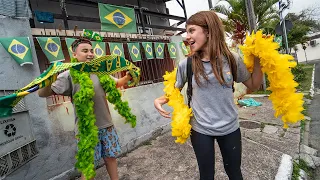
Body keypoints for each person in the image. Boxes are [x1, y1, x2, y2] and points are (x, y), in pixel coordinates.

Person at [154, 11, 263, 180]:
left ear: (208, 31)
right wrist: (159, 100)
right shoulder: (187, 64)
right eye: (186, 31)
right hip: (200, 129)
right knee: (206, 176)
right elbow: (173, 90)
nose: (187, 36)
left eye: (191, 30)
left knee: (234, 172)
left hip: (230, 127)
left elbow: (254, 85)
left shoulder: (232, 59)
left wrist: (258, 60)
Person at [38, 38, 132, 180]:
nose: (90, 54)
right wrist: (48, 80)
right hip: (85, 130)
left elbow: (116, 83)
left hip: (107, 125)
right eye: (85, 51)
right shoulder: (69, 74)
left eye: (91, 50)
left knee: (111, 158)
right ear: (74, 54)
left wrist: (129, 76)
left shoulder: (99, 71)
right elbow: (42, 93)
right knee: (88, 167)